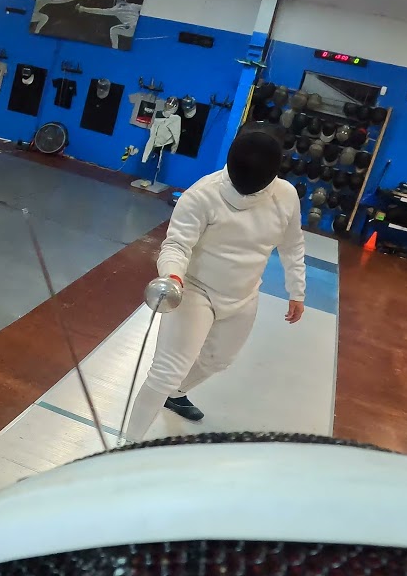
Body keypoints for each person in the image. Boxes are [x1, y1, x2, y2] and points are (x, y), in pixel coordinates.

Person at [124, 129, 307, 442]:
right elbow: (177, 245)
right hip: (195, 290)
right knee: (166, 370)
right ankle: (126, 445)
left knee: (217, 361)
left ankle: (176, 394)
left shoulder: (286, 195)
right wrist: (172, 276)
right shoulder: (202, 195)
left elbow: (292, 244)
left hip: (244, 294)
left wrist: (297, 289)